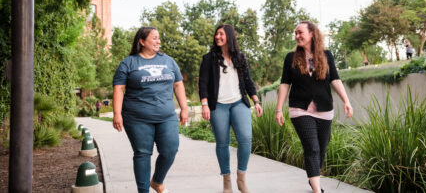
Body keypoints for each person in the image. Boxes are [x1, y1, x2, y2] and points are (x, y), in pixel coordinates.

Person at [275, 21, 353, 193]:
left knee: (321, 149)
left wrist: (346, 101)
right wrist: (279, 109)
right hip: (299, 109)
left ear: (312, 34)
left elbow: (335, 79)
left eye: (300, 32)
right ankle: (317, 190)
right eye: (295, 33)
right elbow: (284, 84)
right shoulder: (291, 58)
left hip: (324, 109)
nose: (297, 36)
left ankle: (313, 178)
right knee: (312, 148)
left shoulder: (326, 55)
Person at [112, 26, 188, 193]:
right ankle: (143, 190)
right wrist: (117, 114)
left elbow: (178, 84)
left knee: (170, 150)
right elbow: (119, 89)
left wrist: (184, 108)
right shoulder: (129, 63)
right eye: (154, 38)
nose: (158, 41)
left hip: (166, 115)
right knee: (142, 153)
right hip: (137, 117)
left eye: (158, 38)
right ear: (142, 41)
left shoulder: (168, 61)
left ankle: (157, 181)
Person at [199, 24, 263, 193]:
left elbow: (248, 81)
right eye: (216, 34)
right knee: (222, 143)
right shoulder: (209, 58)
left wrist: (256, 101)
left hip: (239, 103)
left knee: (245, 140)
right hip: (217, 105)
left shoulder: (240, 57)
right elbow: (203, 83)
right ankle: (227, 182)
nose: (217, 37)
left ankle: (241, 178)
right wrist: (204, 104)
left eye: (221, 34)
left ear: (229, 36)